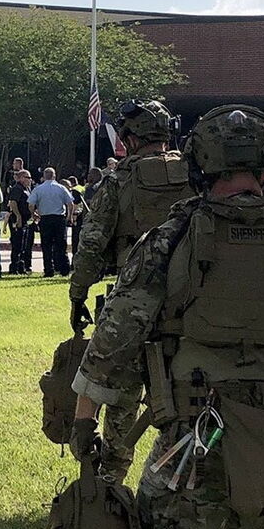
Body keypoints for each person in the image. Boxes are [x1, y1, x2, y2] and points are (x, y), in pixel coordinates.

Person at [70, 105, 264, 529]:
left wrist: (84, 421)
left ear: (199, 163)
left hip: (193, 435)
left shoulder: (169, 240)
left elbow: (113, 340)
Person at [68, 100, 193, 482]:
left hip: (134, 298)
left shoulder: (119, 180)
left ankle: (111, 479)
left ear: (131, 138)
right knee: (189, 394)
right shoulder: (195, 174)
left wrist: (78, 293)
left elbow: (92, 243)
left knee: (121, 394)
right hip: (192, 302)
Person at [28, 167, 74, 278]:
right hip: (59, 219)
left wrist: (33, 214)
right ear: (54, 176)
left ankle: (49, 270)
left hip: (45, 219)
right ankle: (64, 269)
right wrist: (69, 216)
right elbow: (70, 203)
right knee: (61, 245)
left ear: (44, 176)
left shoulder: (38, 189)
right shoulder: (61, 188)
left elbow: (30, 204)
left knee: (46, 245)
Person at [7, 169, 34, 274]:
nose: (30, 180)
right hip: (18, 220)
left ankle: (21, 267)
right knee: (17, 244)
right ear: (21, 178)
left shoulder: (26, 189)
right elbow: (13, 203)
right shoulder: (17, 188)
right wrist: (18, 216)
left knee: (23, 244)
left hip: (26, 220)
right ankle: (14, 267)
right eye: (28, 178)